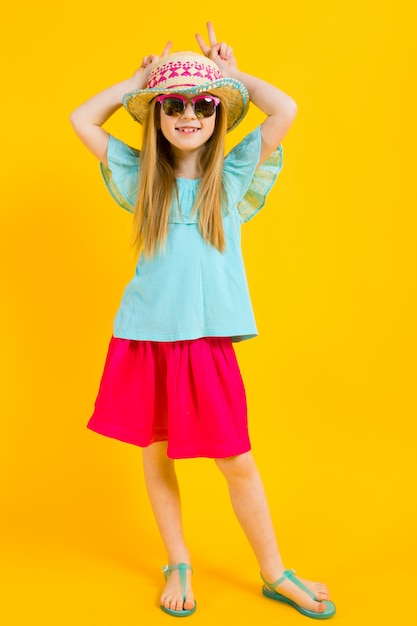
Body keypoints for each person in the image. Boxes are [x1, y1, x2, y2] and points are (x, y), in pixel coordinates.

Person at [70, 21, 335, 620]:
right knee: (155, 451)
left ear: (218, 113)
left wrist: (232, 76)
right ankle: (178, 559)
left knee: (235, 459)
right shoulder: (142, 178)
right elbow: (82, 121)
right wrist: (138, 82)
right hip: (142, 339)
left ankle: (274, 571)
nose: (188, 114)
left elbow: (285, 109)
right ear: (157, 116)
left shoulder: (232, 173)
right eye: (174, 104)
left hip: (205, 344)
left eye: (203, 103)